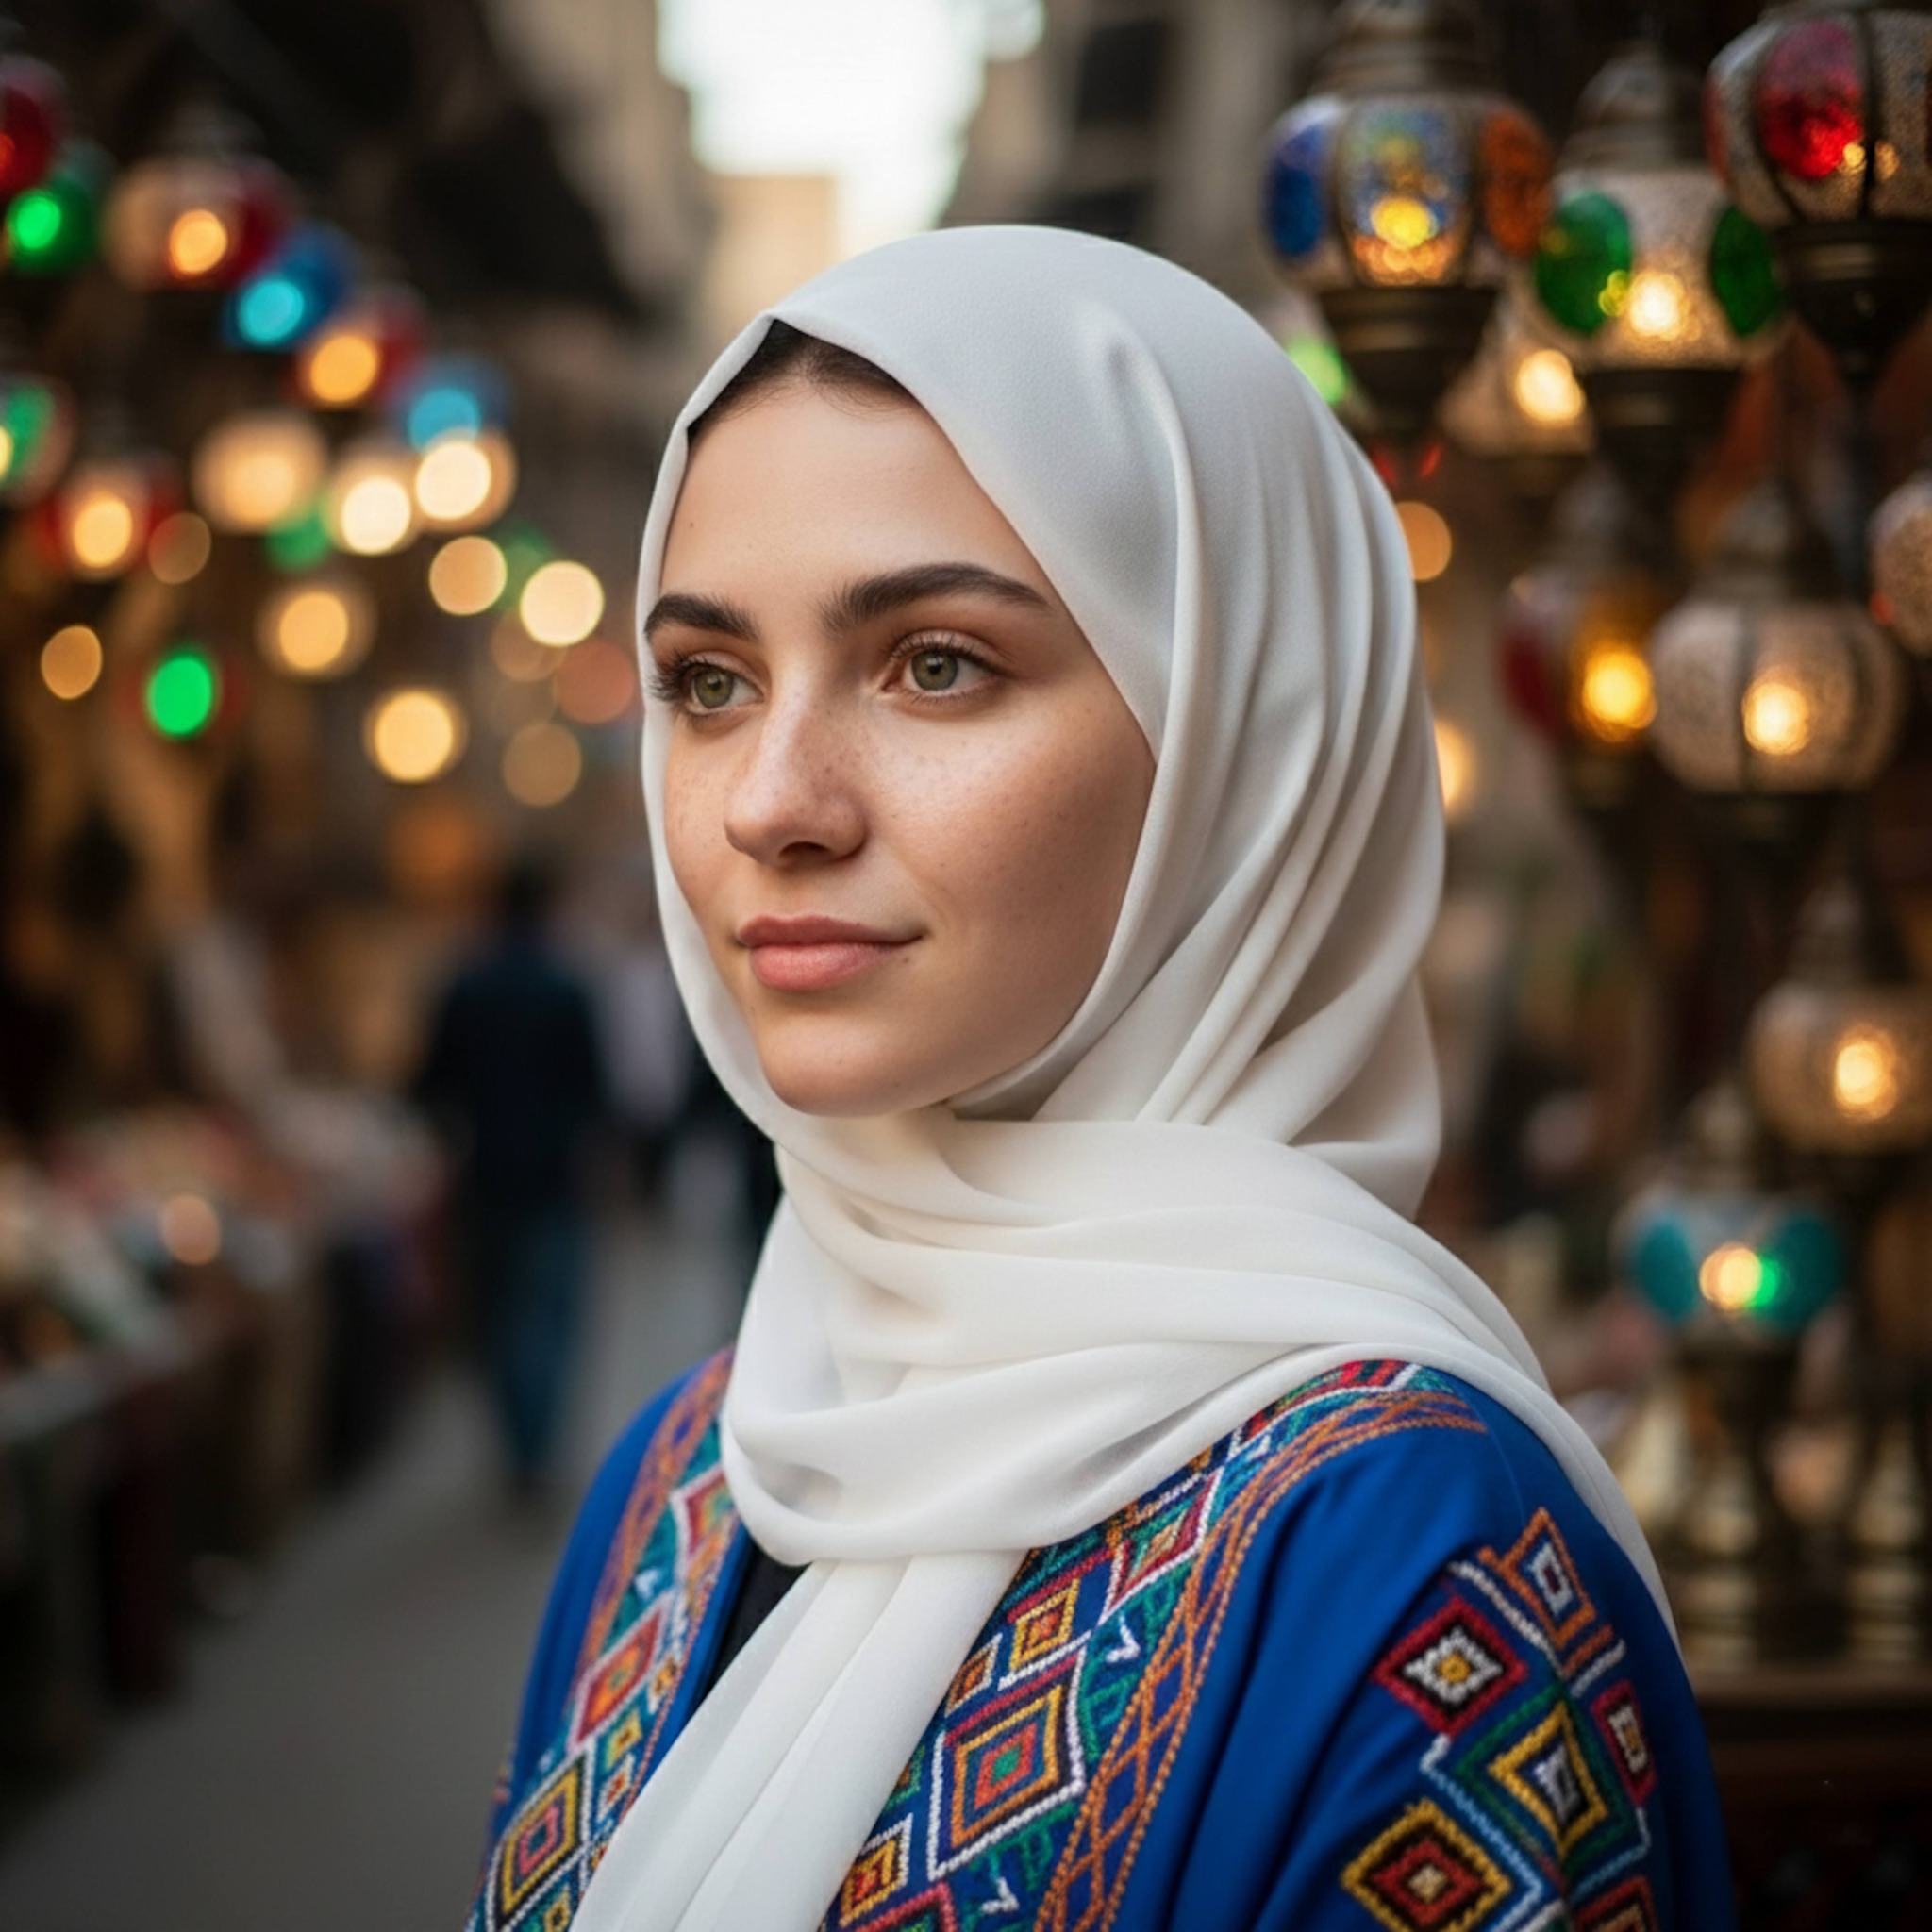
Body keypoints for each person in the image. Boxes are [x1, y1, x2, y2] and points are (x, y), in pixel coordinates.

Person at [467, 229, 1733, 1931]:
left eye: (935, 663)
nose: (772, 799)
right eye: (707, 681)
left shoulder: (1413, 1550)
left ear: (1240, 744)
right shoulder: (686, 1477)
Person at [417, 858, 607, 1493]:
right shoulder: (566, 988)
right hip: (554, 1177)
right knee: (548, 1316)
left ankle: (517, 1446)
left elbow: (426, 1086)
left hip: (486, 1177)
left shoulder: (464, 987)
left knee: (498, 1316)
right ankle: (535, 1447)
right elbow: (595, 1093)